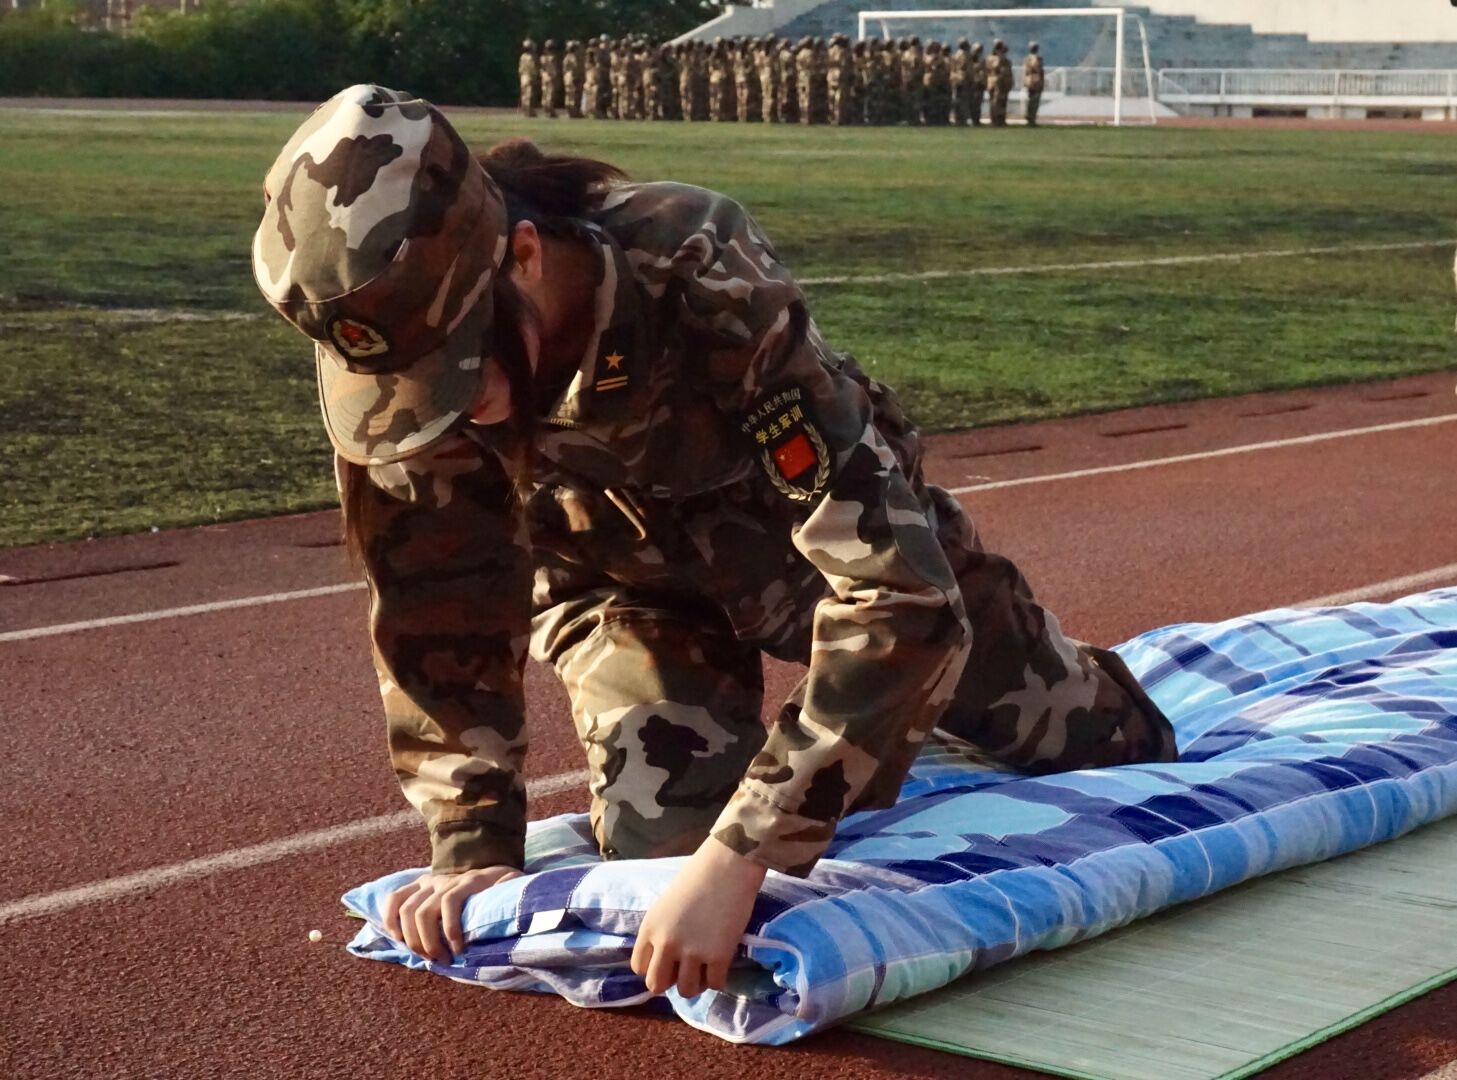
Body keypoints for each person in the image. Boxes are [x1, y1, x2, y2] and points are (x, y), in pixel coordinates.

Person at [252, 84, 1177, 1001]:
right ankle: (841, 737)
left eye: (462, 370)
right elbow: (435, 603)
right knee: (664, 864)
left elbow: (898, 595)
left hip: (808, 558)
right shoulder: (398, 374)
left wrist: (749, 851)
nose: (450, 409)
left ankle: (998, 690)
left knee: (1114, 756)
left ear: (524, 257)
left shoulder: (697, 269)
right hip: (624, 591)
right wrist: (471, 840)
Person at [1023, 42, 1045, 127]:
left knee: (1030, 99)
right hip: (1036, 80)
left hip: (1028, 79)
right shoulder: (1038, 59)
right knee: (1035, 100)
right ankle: (1031, 118)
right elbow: (1039, 69)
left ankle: (1029, 116)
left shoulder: (1026, 58)